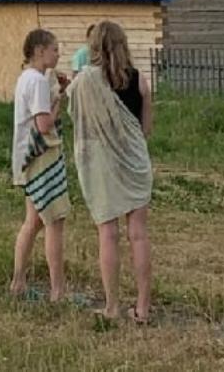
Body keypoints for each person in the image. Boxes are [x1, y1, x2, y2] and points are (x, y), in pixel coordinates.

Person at [65, 19, 153, 324]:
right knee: (138, 235)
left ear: (94, 48)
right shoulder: (140, 80)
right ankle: (143, 307)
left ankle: (113, 306)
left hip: (102, 165)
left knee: (108, 234)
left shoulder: (84, 82)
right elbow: (145, 129)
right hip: (135, 164)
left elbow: (74, 114)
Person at [10, 28, 71, 303]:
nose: (58, 54)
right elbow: (44, 124)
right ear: (39, 51)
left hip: (25, 156)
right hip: (40, 157)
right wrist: (57, 100)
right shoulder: (36, 82)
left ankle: (18, 281)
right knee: (54, 220)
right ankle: (58, 290)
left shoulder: (27, 78)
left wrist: (56, 95)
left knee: (32, 221)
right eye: (54, 49)